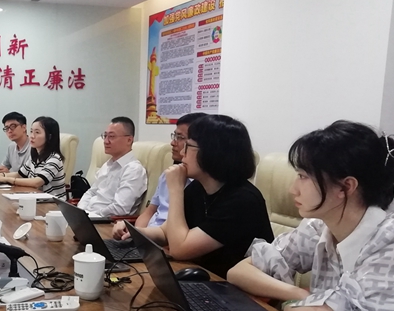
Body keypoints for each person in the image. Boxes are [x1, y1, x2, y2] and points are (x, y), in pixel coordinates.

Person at [227, 120, 394, 311]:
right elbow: (239, 272)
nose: (293, 189)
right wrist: (299, 294)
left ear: (346, 187)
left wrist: (294, 302)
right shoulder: (319, 227)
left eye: (303, 176)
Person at [130, 114, 273, 278]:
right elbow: (165, 231)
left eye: (188, 146)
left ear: (212, 152)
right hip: (205, 278)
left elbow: (180, 249)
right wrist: (135, 233)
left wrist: (176, 189)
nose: (182, 152)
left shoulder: (242, 200)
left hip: (238, 288)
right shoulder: (199, 187)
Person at [113, 112, 206, 239]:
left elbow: (179, 235)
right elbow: (149, 212)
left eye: (180, 137)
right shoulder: (168, 174)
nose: (173, 143)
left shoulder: (200, 185)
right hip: (151, 237)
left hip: (169, 241)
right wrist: (137, 233)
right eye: (175, 136)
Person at [77, 116, 147, 217]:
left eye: (111, 136)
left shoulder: (133, 170)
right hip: (88, 217)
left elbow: (120, 208)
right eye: (105, 136)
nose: (106, 141)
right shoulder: (108, 164)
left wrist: (90, 216)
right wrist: (80, 212)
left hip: (105, 221)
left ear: (129, 140)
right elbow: (91, 192)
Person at [0, 116, 66, 198]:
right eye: (31, 131)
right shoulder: (35, 157)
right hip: (36, 199)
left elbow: (37, 182)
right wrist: (0, 175)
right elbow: (19, 175)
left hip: (53, 203)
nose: (32, 136)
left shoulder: (54, 159)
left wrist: (6, 179)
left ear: (49, 136)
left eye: (37, 132)